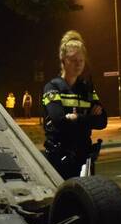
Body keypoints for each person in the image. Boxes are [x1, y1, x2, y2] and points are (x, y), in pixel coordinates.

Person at [42, 31, 108, 179]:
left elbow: (103, 121)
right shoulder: (52, 88)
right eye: (73, 60)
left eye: (81, 60)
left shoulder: (87, 89)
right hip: (59, 160)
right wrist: (89, 119)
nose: (78, 64)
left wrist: (76, 118)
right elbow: (59, 121)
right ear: (63, 60)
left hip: (84, 159)